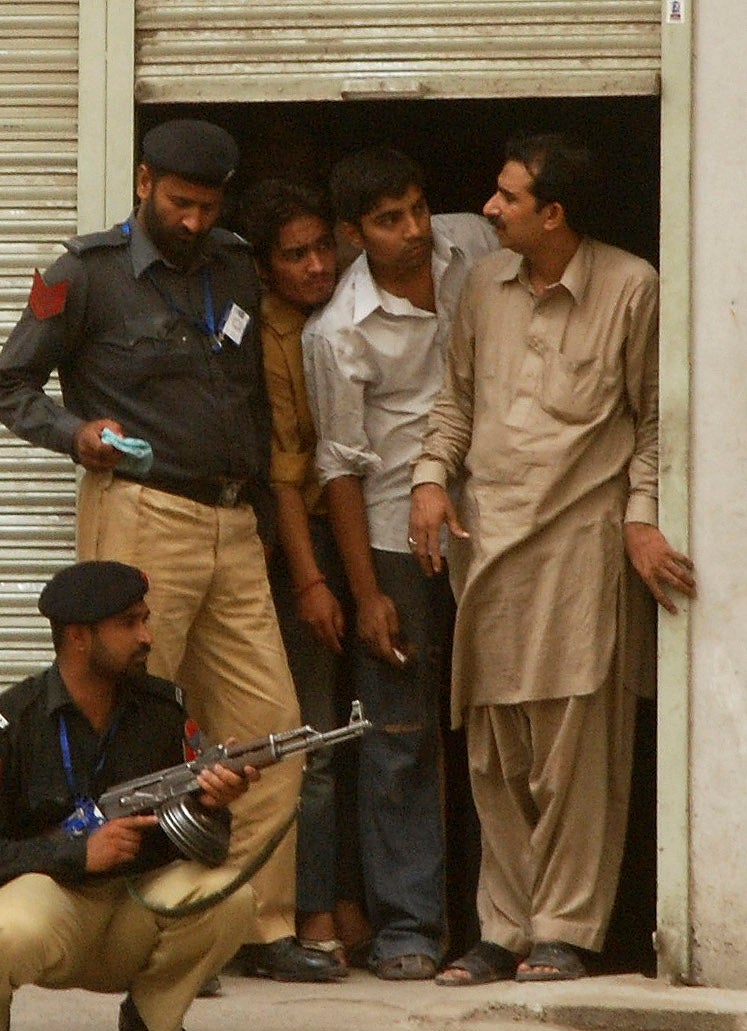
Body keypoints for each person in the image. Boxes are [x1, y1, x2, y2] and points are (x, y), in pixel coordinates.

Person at [0, 118, 336, 983]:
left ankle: (246, 927)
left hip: (233, 522)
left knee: (268, 732)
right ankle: (139, 930)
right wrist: (78, 436)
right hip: (142, 516)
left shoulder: (233, 263)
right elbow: (10, 387)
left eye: (206, 205)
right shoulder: (85, 274)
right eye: (179, 202)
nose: (191, 220)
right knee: (134, 734)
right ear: (143, 182)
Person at [411, 133, 694, 986]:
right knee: (495, 752)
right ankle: (501, 929)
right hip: (487, 547)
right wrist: (429, 479)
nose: (488, 210)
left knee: (576, 749)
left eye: (506, 198)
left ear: (553, 213)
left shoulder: (631, 287)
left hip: (580, 545)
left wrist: (641, 521)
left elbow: (653, 424)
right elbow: (453, 402)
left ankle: (563, 929)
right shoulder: (481, 288)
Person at [303, 148, 499, 981]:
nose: (413, 231)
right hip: (394, 540)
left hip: (496, 525)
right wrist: (367, 590)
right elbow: (338, 467)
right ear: (353, 234)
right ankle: (407, 929)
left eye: (417, 208)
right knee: (399, 739)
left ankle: (505, 924)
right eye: (388, 220)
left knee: (502, 727)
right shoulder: (336, 331)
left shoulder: (475, 244)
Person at [0, 560, 258, 1031]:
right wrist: (76, 854)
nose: (147, 637)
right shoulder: (9, 724)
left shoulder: (163, 710)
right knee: (5, 939)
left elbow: (208, 848)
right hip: (54, 905)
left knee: (232, 897)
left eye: (145, 619)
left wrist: (212, 804)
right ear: (79, 638)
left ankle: (153, 1021)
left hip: (135, 907)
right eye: (129, 623)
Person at [239, 178, 371, 969]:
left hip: (363, 533)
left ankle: (348, 897)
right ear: (263, 267)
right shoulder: (265, 337)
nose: (317, 265)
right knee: (312, 738)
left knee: (364, 735)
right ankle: (311, 909)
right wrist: (310, 581)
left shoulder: (344, 308)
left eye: (325, 246)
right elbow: (286, 470)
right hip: (300, 544)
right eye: (296, 256)